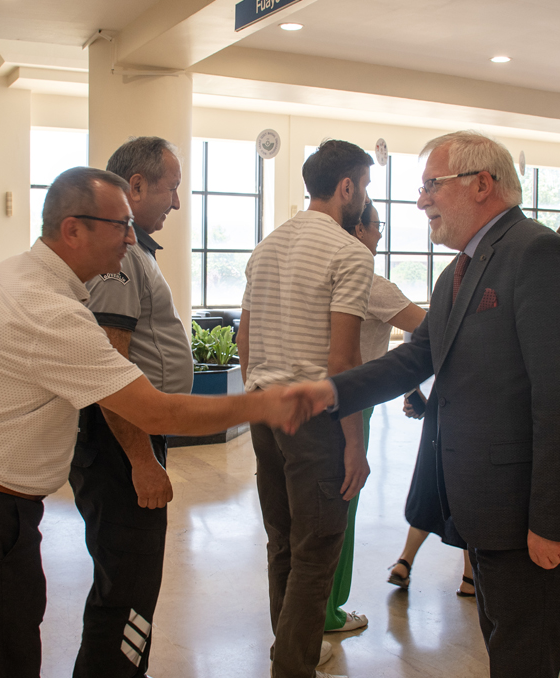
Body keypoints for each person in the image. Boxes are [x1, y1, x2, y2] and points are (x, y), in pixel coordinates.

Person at [0, 166, 308, 678]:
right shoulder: (49, 311)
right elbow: (155, 410)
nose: (130, 237)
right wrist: (266, 404)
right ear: (73, 230)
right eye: (120, 225)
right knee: (0, 660)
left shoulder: (11, 275)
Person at [290, 131, 560, 678]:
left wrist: (553, 522)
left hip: (528, 513)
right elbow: (419, 356)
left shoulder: (537, 254)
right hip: (485, 508)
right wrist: (333, 392)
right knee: (505, 644)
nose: (420, 201)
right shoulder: (460, 268)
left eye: (431, 185)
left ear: (482, 184)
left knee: (525, 655)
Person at [237, 139, 374, 678]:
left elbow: (245, 340)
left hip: (264, 412)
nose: (365, 198)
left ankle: (291, 651)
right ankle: (293, 667)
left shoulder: (266, 246)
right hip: (315, 422)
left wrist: (259, 399)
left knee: (283, 542)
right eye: (365, 186)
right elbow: (343, 362)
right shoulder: (350, 253)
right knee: (318, 550)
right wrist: (355, 443)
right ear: (347, 187)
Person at [69, 138, 190, 677]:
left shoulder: (134, 253)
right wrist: (142, 460)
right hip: (120, 443)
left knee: (128, 585)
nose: (177, 202)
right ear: (136, 186)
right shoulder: (118, 263)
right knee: (127, 593)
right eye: (172, 188)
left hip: (131, 437)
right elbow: (110, 371)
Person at [326, 201, 427, 633]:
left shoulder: (322, 273)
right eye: (377, 226)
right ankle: (329, 612)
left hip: (311, 402)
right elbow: (430, 329)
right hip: (352, 406)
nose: (380, 235)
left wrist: (408, 384)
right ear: (359, 230)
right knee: (342, 508)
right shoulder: (369, 281)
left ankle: (310, 612)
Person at [388, 391, 475, 598]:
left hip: (440, 402)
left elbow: (412, 369)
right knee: (468, 487)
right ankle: (470, 579)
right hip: (476, 404)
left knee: (430, 483)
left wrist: (413, 393)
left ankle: (404, 561)